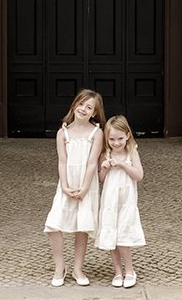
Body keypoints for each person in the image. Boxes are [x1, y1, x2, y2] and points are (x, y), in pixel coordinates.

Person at [43, 88, 105, 286]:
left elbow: (92, 163)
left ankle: (78, 268)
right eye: (81, 104)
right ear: (74, 105)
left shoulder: (97, 133)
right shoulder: (63, 133)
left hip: (87, 185)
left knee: (82, 227)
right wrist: (65, 186)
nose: (84, 109)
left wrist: (85, 188)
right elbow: (62, 161)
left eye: (89, 107)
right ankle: (60, 266)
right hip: (66, 184)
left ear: (94, 113)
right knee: (53, 225)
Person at [96, 115, 146, 288]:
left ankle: (130, 270)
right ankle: (117, 271)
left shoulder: (132, 152)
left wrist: (123, 165)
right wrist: (104, 168)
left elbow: (139, 175)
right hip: (110, 203)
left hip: (126, 203)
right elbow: (101, 179)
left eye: (120, 139)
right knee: (112, 235)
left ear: (127, 136)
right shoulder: (106, 154)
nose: (116, 143)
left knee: (123, 237)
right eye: (111, 139)